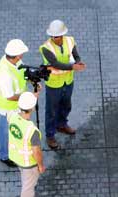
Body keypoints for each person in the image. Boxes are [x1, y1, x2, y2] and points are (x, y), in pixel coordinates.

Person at [39, 19, 86, 149]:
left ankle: (62, 124)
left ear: (62, 34)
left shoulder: (70, 40)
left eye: (58, 36)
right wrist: (73, 67)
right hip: (54, 84)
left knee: (66, 105)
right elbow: (55, 64)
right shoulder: (45, 48)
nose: (55, 38)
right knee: (52, 110)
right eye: (53, 36)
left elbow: (76, 55)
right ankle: (50, 135)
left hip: (68, 81)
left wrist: (78, 62)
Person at [0, 39, 33, 167]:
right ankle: (5, 156)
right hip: (8, 108)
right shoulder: (4, 74)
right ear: (17, 55)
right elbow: (10, 96)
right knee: (6, 132)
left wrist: (31, 78)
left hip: (15, 106)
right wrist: (27, 96)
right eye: (22, 53)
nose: (23, 55)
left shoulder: (13, 61)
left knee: (10, 130)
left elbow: (21, 72)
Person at [8, 92, 46, 197]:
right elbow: (36, 151)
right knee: (28, 186)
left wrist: (33, 96)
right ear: (33, 108)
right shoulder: (32, 130)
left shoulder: (12, 116)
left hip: (16, 157)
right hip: (28, 162)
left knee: (26, 180)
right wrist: (40, 165)